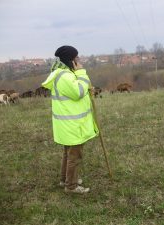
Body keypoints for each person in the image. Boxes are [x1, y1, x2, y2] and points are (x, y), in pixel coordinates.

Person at [42, 45, 99, 194]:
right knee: (74, 155)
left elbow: (77, 91)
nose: (78, 60)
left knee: (69, 153)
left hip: (69, 124)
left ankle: (65, 180)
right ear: (70, 60)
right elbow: (78, 92)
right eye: (76, 58)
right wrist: (81, 73)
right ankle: (71, 186)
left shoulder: (64, 74)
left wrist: (87, 88)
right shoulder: (65, 76)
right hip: (72, 125)